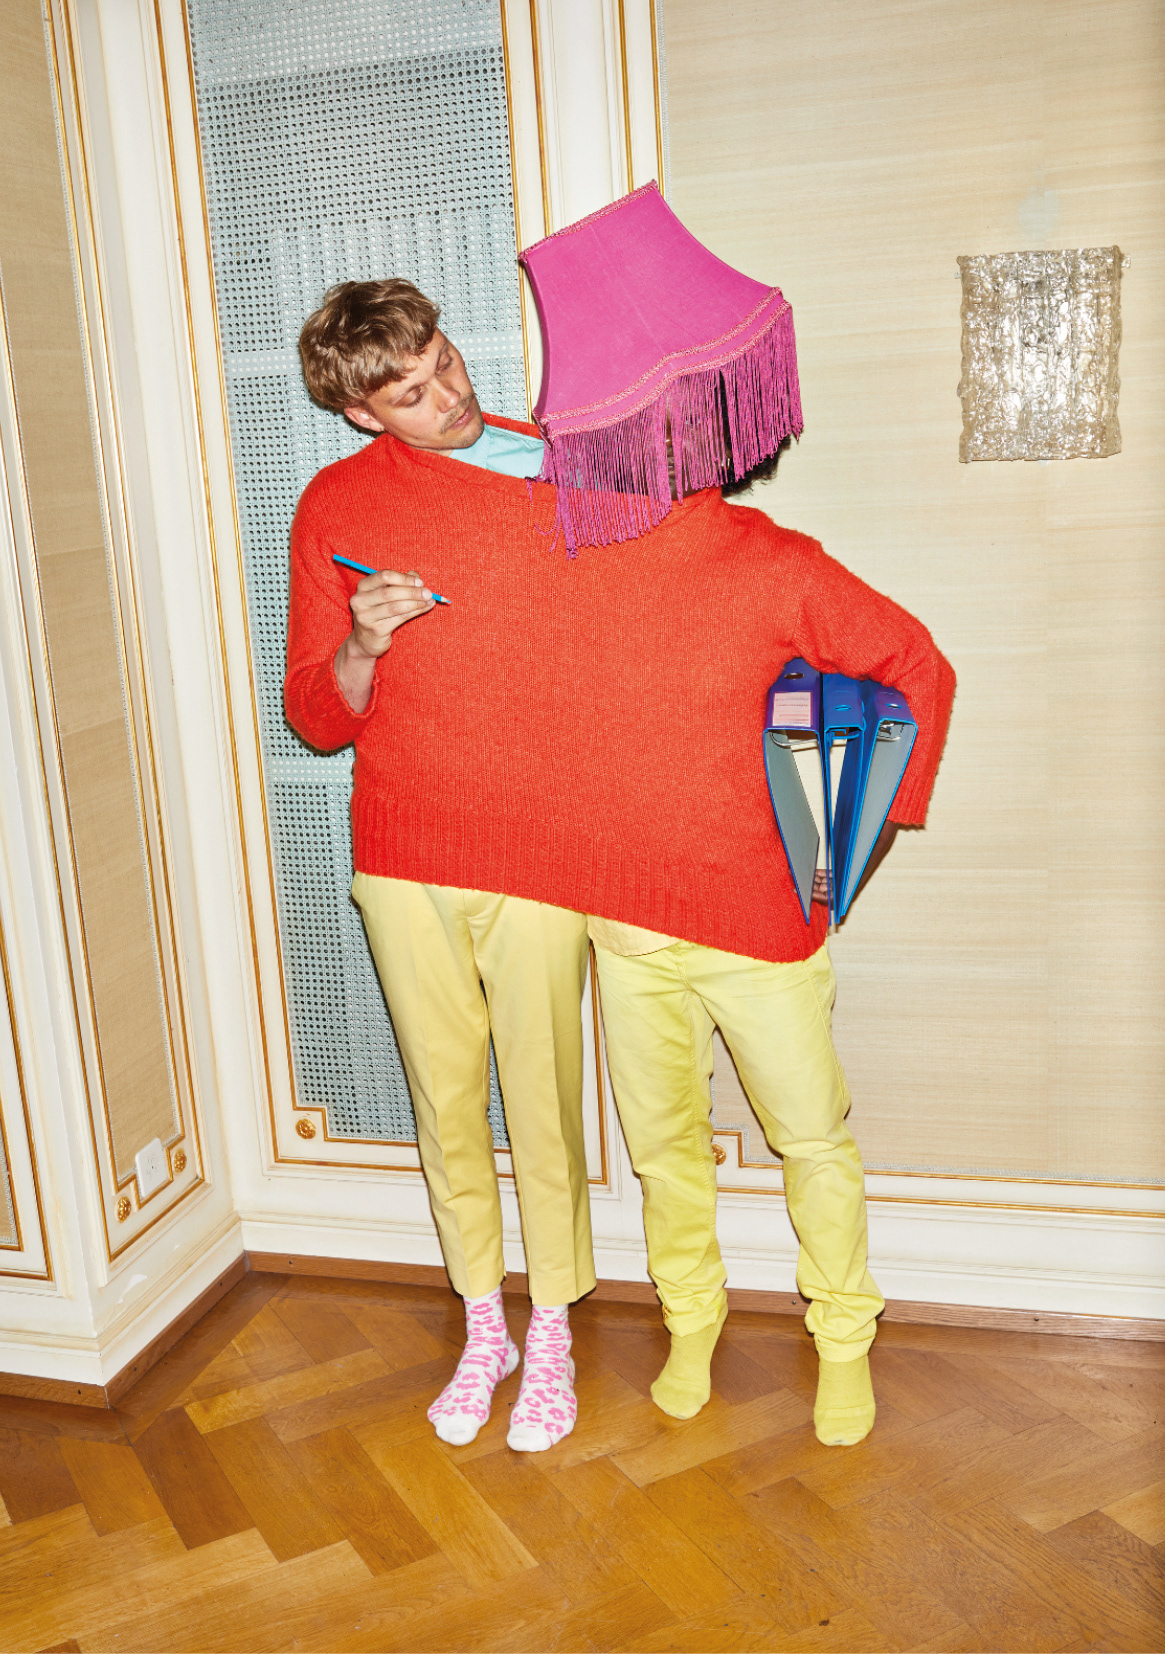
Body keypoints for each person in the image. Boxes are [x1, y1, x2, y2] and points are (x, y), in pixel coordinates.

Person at [286, 278, 593, 1454]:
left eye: (445, 362)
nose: (448, 397)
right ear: (361, 413)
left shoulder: (561, 467)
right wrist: (363, 640)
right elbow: (316, 714)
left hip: (542, 842)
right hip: (404, 845)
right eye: (410, 393)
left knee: (544, 1097)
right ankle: (483, 1325)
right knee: (445, 1097)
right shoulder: (334, 504)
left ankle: (552, 1328)